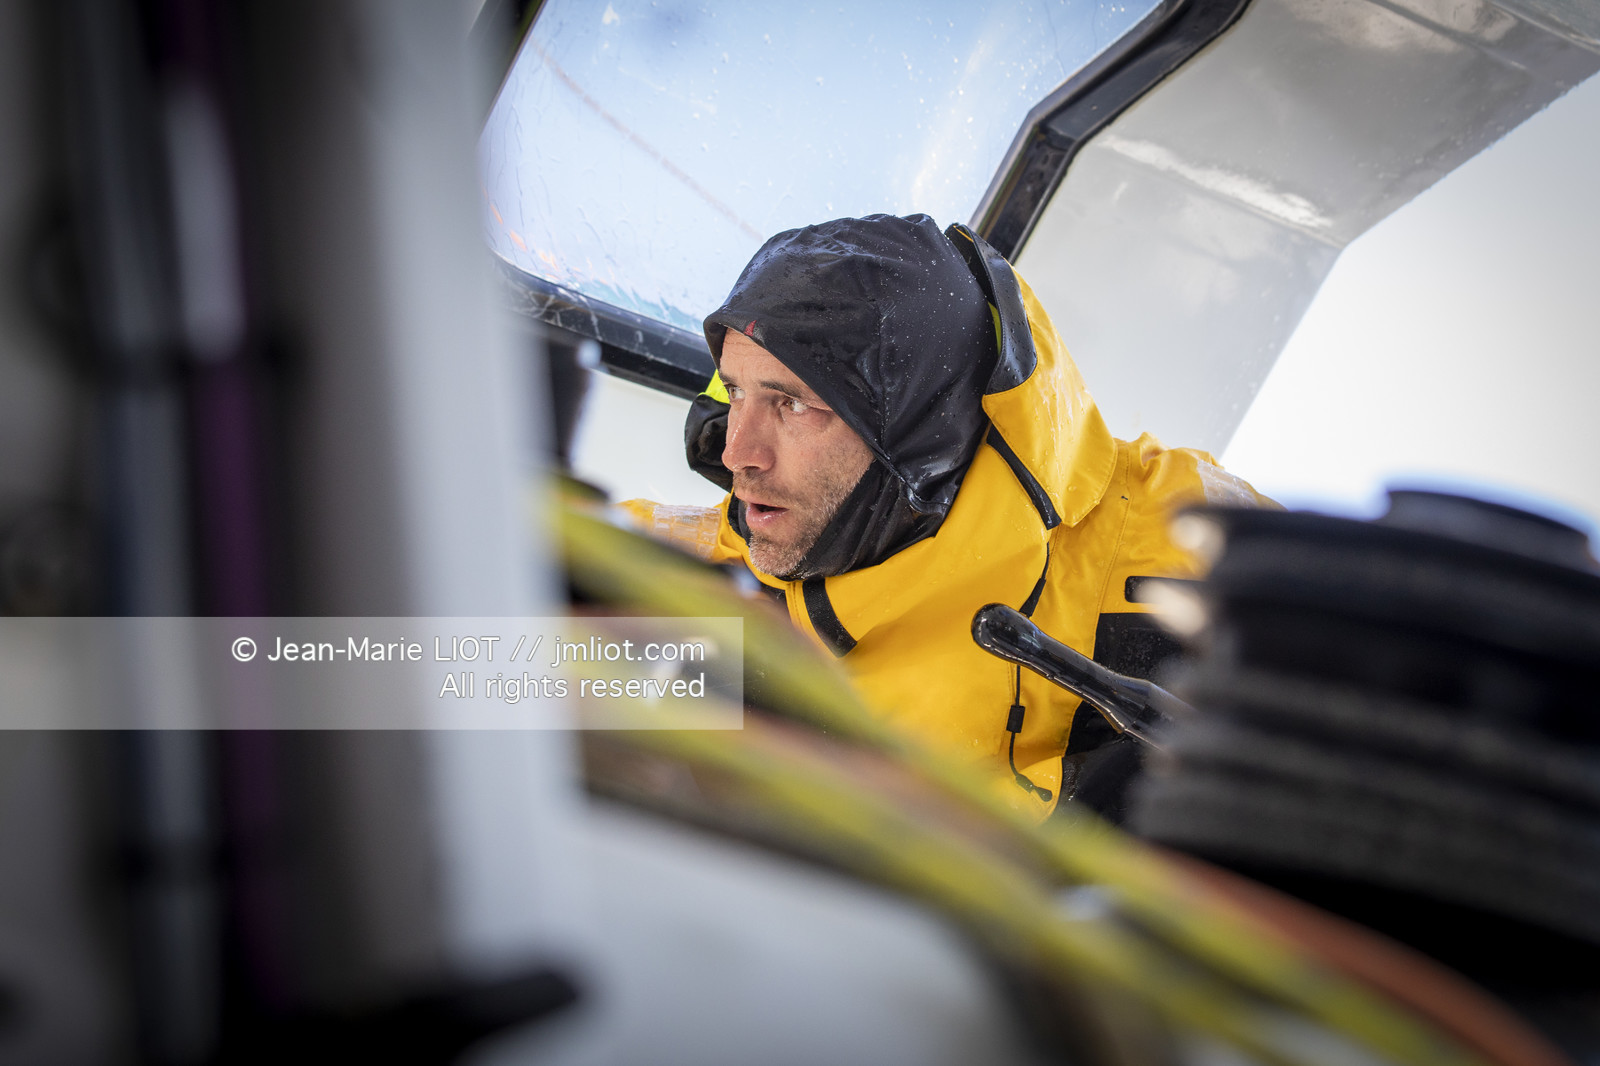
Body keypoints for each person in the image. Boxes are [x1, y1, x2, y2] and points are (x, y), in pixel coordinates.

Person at [624, 214, 1272, 821]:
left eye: (793, 405)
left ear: (920, 430)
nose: (739, 452)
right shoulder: (677, 574)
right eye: (735, 392)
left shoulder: (1180, 537)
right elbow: (519, 673)